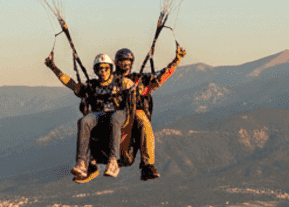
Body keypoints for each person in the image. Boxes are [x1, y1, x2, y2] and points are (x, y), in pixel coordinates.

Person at [45, 51, 137, 180]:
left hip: (118, 113)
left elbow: (134, 90)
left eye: (106, 68)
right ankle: (81, 162)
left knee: (115, 118)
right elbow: (71, 84)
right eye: (100, 69)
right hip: (99, 115)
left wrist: (132, 88)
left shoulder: (121, 82)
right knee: (84, 121)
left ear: (111, 69)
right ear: (96, 71)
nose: (103, 72)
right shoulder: (92, 86)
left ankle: (113, 160)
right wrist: (53, 67)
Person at [112, 44, 186, 181]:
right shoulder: (111, 81)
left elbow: (161, 77)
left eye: (128, 61)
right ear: (117, 63)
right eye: (123, 61)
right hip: (122, 121)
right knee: (127, 159)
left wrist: (176, 60)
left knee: (143, 122)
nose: (126, 64)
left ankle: (147, 166)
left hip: (136, 119)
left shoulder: (140, 80)